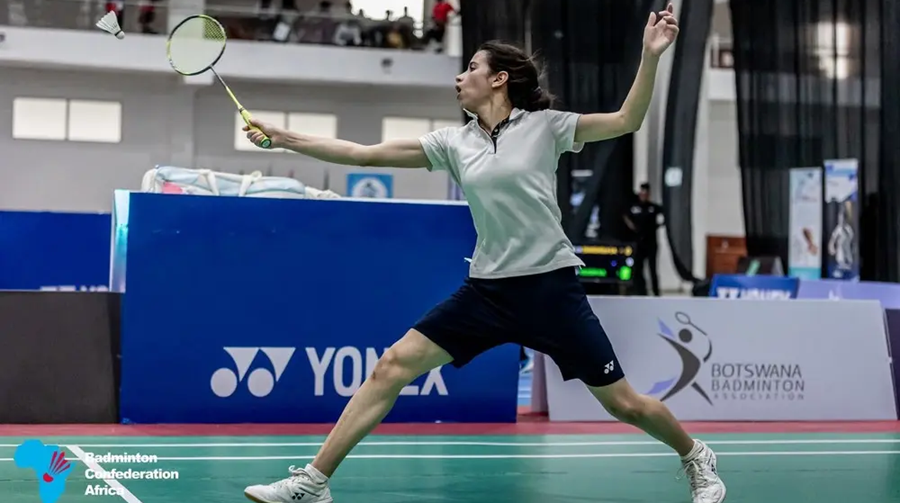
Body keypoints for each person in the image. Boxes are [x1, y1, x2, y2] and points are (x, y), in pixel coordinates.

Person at [241, 5, 725, 503]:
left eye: (471, 67)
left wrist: (650, 55)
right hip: (488, 289)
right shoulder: (454, 143)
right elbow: (364, 153)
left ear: (499, 79)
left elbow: (627, 120)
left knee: (625, 404)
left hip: (549, 289)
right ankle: (312, 484)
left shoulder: (547, 127)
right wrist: (283, 138)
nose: (459, 76)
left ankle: (696, 458)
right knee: (392, 366)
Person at [624, 182, 664, 296]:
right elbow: (625, 214)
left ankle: (656, 292)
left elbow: (663, 214)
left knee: (652, 268)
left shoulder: (653, 208)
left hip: (651, 242)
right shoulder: (634, 207)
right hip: (638, 242)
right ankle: (641, 291)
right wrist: (632, 226)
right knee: (638, 268)